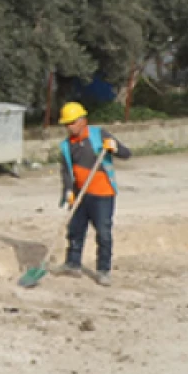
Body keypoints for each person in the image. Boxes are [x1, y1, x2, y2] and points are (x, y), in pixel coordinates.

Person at [56, 102, 131, 286]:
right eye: (66, 124)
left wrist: (114, 147)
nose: (69, 127)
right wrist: (67, 191)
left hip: (103, 195)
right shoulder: (67, 145)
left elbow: (126, 153)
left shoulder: (100, 135)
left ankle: (103, 270)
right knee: (75, 230)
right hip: (80, 194)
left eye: (72, 122)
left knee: (104, 233)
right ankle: (73, 264)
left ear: (83, 120)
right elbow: (66, 171)